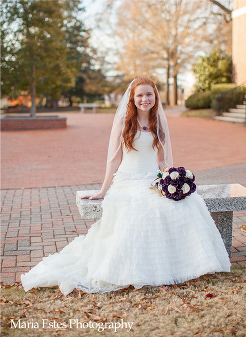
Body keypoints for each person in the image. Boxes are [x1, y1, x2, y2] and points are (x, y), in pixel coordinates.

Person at [21, 77, 231, 295]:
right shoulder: (123, 120)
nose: (144, 99)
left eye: (149, 94)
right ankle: (141, 270)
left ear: (155, 97)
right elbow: (113, 160)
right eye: (139, 95)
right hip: (128, 179)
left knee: (187, 203)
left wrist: (172, 177)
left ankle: (188, 264)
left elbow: (162, 160)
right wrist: (103, 190)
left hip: (153, 178)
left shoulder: (159, 121)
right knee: (141, 208)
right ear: (132, 98)